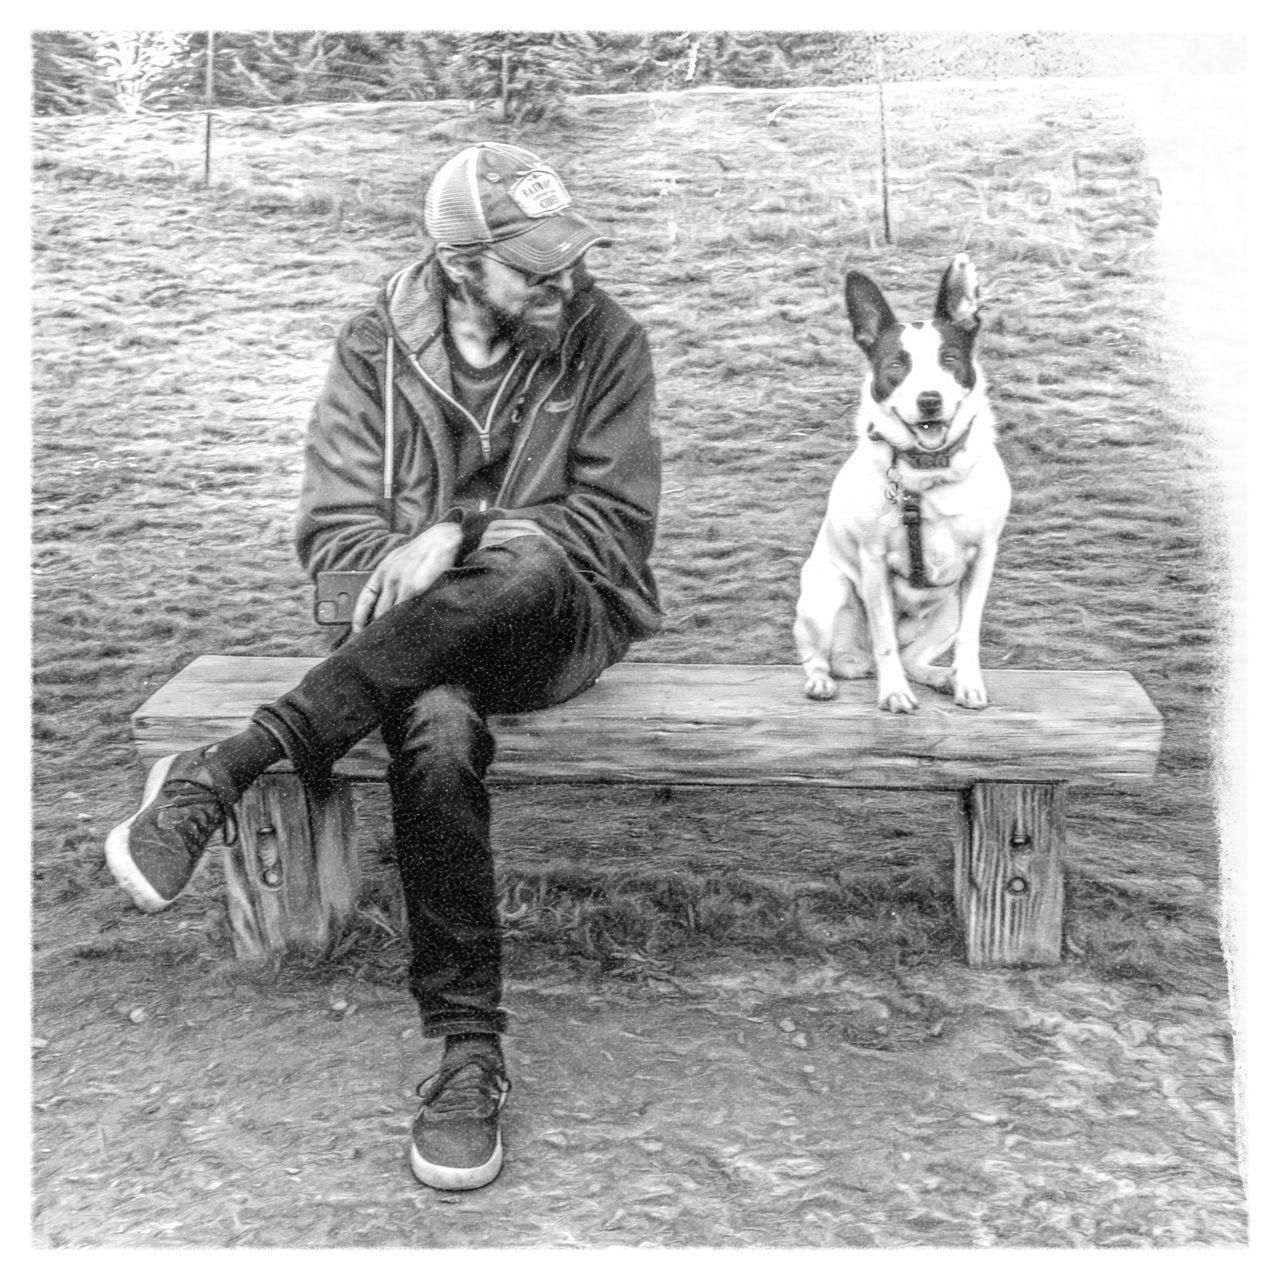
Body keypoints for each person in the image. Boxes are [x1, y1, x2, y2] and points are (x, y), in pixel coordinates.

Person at [104, 142, 662, 1191]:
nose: (565, 285)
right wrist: (409, 570)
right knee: (435, 724)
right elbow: (336, 540)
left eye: (568, 261)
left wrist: (462, 528)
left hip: (556, 622)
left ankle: (230, 764)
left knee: (532, 556)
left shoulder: (607, 338)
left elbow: (613, 529)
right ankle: (467, 1050)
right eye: (534, 272)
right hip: (403, 650)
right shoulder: (371, 348)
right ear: (459, 266)